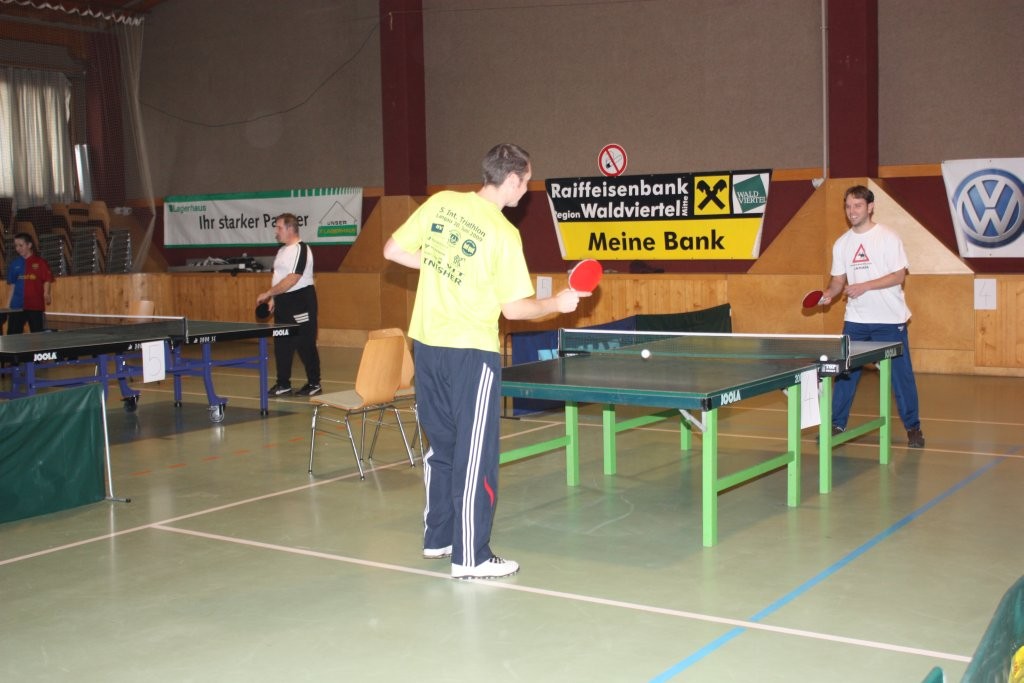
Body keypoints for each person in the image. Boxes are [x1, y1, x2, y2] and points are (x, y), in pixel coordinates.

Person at [384, 143, 589, 580]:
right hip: (471, 353)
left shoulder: (441, 203)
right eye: (526, 182)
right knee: (475, 453)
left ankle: (438, 537)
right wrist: (557, 303)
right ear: (511, 179)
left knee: (442, 447)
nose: (526, 190)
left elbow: (392, 251)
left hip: (426, 345)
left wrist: (443, 267)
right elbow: (515, 309)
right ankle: (471, 556)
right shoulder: (502, 233)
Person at [820, 185, 925, 448]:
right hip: (856, 320)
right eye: (848, 206)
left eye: (857, 205)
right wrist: (829, 294)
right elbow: (838, 280)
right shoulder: (842, 244)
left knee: (901, 377)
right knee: (845, 373)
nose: (852, 211)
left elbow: (898, 276)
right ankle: (836, 424)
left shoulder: (888, 237)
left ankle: (913, 427)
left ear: (870, 207)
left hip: (889, 320)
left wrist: (865, 285)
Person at [256, 212, 322, 397]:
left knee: (305, 342)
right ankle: (283, 384)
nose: (276, 231)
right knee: (282, 344)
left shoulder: (301, 249)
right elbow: (280, 278)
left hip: (300, 302)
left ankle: (314, 383)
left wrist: (269, 293)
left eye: (279, 228)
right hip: (283, 302)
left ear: (290, 229)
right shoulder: (282, 251)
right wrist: (274, 300)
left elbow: (293, 278)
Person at [6, 232, 55, 334]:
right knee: (12, 336)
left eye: (21, 245)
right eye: (16, 246)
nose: (18, 248)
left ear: (29, 245)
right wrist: (8, 305)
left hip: (35, 306)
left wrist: (46, 293)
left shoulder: (41, 262)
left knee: (38, 335)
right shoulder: (14, 264)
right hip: (17, 307)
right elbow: (12, 286)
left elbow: (47, 279)